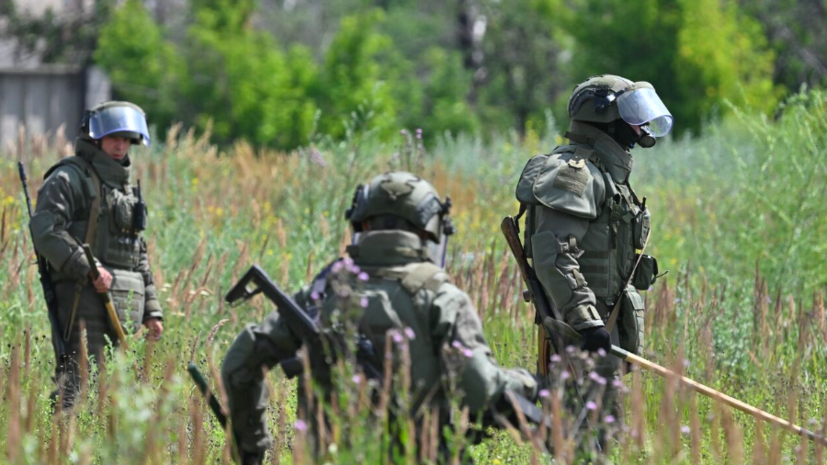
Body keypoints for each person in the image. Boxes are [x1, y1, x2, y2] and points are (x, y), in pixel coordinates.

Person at [221, 172, 538, 464]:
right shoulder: (441, 297)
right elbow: (481, 390)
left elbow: (240, 363)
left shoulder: (322, 291)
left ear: (363, 225)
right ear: (428, 230)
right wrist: (527, 384)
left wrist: (251, 447)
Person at [514, 74, 672, 440]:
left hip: (601, 330)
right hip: (582, 335)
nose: (639, 127)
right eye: (631, 115)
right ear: (604, 118)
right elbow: (555, 253)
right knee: (585, 441)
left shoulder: (603, 171)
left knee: (600, 437)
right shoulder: (576, 173)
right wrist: (586, 323)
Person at [31, 101, 164, 409]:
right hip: (83, 299)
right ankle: (59, 451)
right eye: (114, 137)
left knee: (119, 397)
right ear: (95, 137)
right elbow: (46, 230)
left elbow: (137, 252)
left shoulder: (125, 188)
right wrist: (86, 267)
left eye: (127, 139)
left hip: (127, 306)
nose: (120, 145)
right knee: (76, 389)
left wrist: (152, 310)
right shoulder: (70, 177)